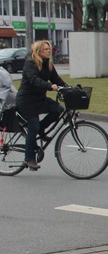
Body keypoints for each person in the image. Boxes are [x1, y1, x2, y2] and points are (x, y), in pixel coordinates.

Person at [16, 40, 68, 171]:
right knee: (33, 126)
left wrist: (69, 88)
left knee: (58, 110)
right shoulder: (30, 63)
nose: (49, 51)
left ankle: (41, 129)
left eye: (49, 49)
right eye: (46, 49)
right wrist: (49, 86)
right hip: (26, 101)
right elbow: (34, 80)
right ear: (38, 51)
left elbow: (57, 79)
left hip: (39, 99)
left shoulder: (48, 64)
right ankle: (29, 159)